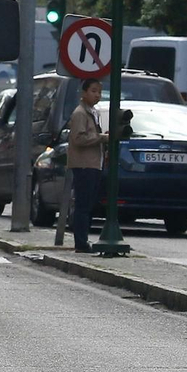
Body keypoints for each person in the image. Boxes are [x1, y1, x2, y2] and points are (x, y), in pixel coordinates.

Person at [66, 78, 106, 253]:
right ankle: (80, 243)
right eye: (93, 91)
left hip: (94, 164)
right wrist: (102, 138)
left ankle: (83, 240)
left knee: (88, 205)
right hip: (84, 165)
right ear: (84, 93)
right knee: (82, 205)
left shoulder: (93, 112)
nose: (97, 95)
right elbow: (79, 138)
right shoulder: (80, 113)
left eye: (99, 91)